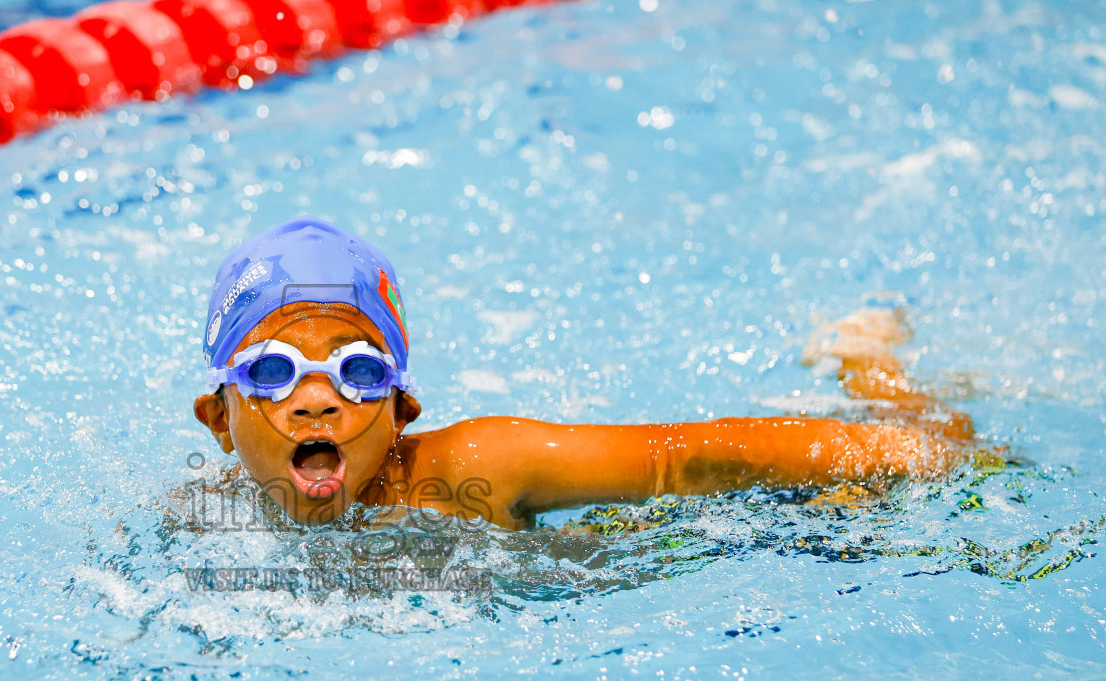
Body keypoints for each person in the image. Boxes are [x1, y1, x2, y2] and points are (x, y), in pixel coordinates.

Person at [191, 216, 973, 530]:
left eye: (358, 371)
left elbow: (677, 456)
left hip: (720, 546)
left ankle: (872, 367)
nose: (316, 402)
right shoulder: (200, 523)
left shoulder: (475, 468)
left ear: (402, 410)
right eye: (271, 372)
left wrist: (889, 454)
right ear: (220, 418)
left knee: (924, 452)